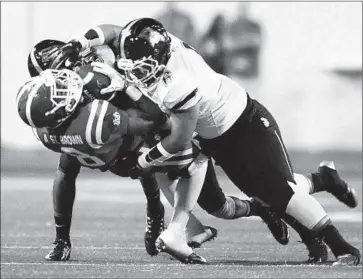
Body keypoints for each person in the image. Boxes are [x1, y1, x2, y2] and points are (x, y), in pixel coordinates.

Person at [52, 21, 359, 264]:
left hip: (243, 124)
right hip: (213, 133)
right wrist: (82, 41)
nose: (136, 73)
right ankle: (323, 183)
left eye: (143, 68)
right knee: (266, 194)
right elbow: (113, 32)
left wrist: (145, 161)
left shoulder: (179, 83)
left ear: (159, 59)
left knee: (280, 191)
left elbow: (180, 137)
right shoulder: (148, 42)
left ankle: (344, 249)